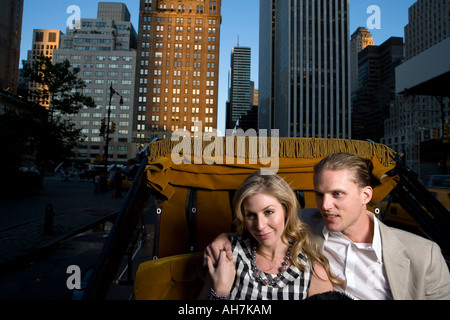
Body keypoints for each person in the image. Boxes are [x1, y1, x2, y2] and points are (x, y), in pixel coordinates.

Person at [206, 153, 450, 300]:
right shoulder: (305, 225)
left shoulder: (423, 254)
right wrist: (225, 238)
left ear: (366, 195)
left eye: (337, 194)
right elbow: (265, 224)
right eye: (320, 194)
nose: (325, 205)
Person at [202, 170, 342, 300]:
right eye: (251, 215)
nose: (260, 226)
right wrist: (218, 293)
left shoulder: (313, 273)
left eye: (268, 212)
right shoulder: (228, 255)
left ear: (286, 209)